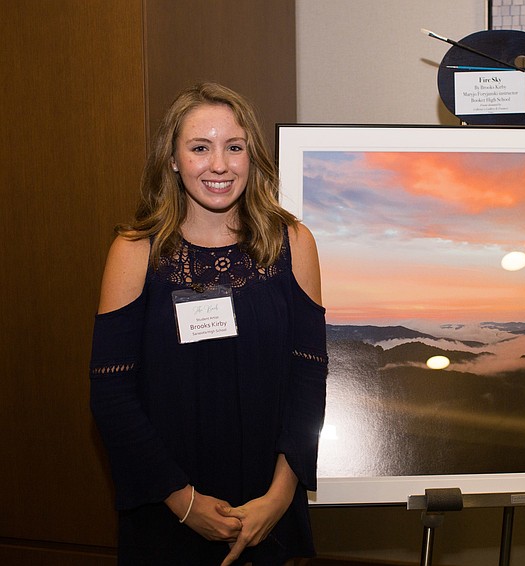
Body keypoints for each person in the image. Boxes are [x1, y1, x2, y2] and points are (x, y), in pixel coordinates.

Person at [89, 82, 328, 565]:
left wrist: (279, 497)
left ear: (251, 155)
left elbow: (309, 379)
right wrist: (185, 502)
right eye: (200, 148)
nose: (219, 165)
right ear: (173, 159)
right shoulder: (135, 252)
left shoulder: (293, 243)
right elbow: (111, 396)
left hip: (267, 509)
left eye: (233, 147)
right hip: (166, 508)